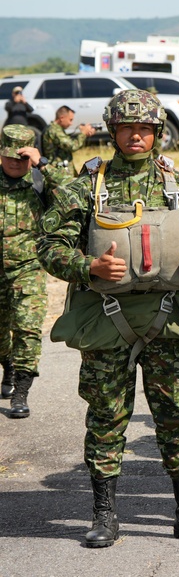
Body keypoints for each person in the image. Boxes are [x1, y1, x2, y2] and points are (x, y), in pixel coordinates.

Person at [38, 90, 179, 547]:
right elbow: (49, 246)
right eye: (126, 127)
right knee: (106, 418)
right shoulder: (84, 187)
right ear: (112, 130)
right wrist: (90, 268)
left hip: (173, 318)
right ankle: (104, 515)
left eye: (145, 127)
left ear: (159, 132)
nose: (136, 135)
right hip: (108, 321)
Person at [0, 125, 63, 418]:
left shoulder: (39, 180)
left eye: (22, 157)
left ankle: (22, 393)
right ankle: (8, 366)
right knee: (2, 335)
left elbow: (72, 192)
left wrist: (43, 164)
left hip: (28, 269)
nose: (16, 162)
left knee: (27, 328)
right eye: (10, 156)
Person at [41, 105, 96, 176]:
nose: (71, 123)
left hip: (63, 170)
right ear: (62, 118)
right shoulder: (54, 130)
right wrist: (83, 133)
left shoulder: (57, 129)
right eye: (70, 120)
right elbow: (72, 146)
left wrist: (84, 135)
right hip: (59, 172)